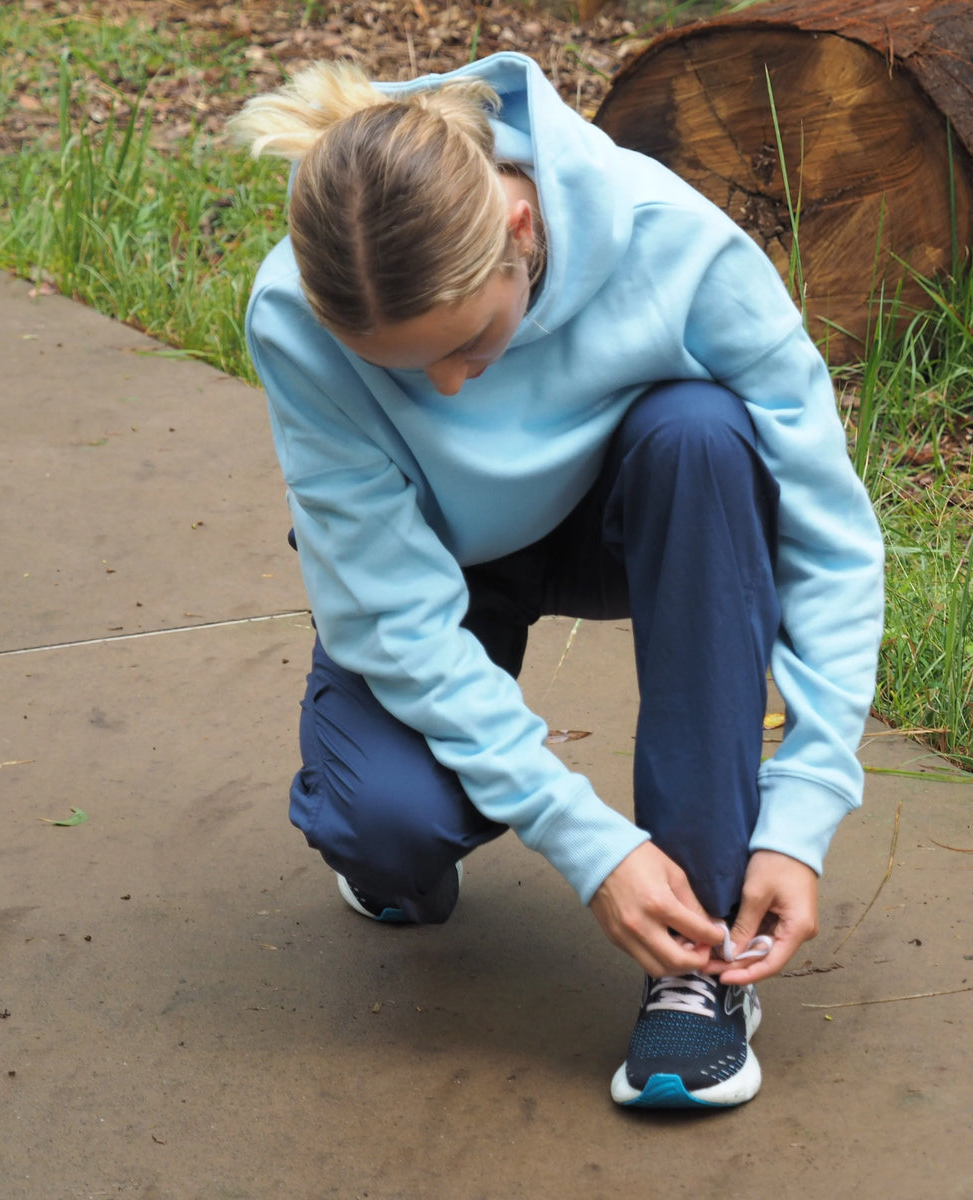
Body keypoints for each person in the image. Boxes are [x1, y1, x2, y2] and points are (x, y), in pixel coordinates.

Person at [229, 51, 884, 1109]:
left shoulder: (677, 247)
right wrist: (585, 841)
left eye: (469, 343)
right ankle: (397, 843)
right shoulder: (293, 311)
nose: (441, 387)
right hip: (437, 564)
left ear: (519, 232)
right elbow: (389, 609)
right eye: (403, 369)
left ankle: (697, 969)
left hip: (622, 521)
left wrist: (802, 804)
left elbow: (828, 535)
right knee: (388, 832)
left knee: (703, 434)